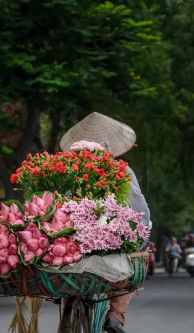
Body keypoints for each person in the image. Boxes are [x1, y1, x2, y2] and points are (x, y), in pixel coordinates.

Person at [60, 112, 150, 333]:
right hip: (109, 239)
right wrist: (142, 232)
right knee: (131, 260)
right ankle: (116, 315)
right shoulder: (121, 171)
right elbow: (139, 210)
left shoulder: (66, 170)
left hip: (68, 239)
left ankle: (68, 307)